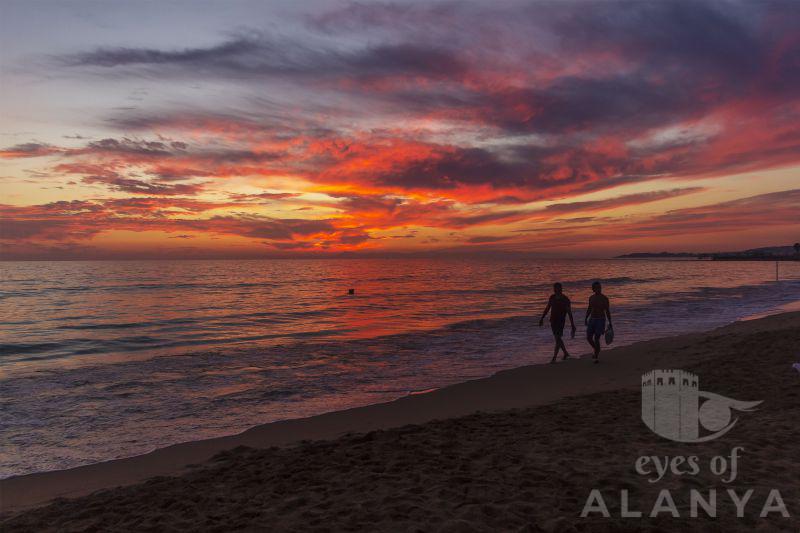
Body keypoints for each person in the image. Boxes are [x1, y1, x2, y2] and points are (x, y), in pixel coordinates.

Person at [539, 282, 576, 363]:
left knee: (557, 338)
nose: (557, 290)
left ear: (561, 289)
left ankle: (554, 357)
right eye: (555, 288)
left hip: (561, 321)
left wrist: (572, 325)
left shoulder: (565, 299)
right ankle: (565, 353)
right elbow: (547, 308)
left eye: (559, 288)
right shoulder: (552, 297)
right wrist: (542, 318)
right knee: (557, 338)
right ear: (554, 289)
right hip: (553, 321)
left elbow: (569, 313)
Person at [585, 281, 612, 363]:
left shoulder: (604, 298)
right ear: (593, 289)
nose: (598, 289)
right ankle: (596, 348)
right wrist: (586, 318)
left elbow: (607, 311)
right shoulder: (591, 298)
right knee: (589, 338)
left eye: (599, 287)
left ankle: (596, 356)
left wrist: (610, 322)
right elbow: (589, 308)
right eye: (596, 288)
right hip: (592, 319)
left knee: (596, 338)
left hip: (601, 319)